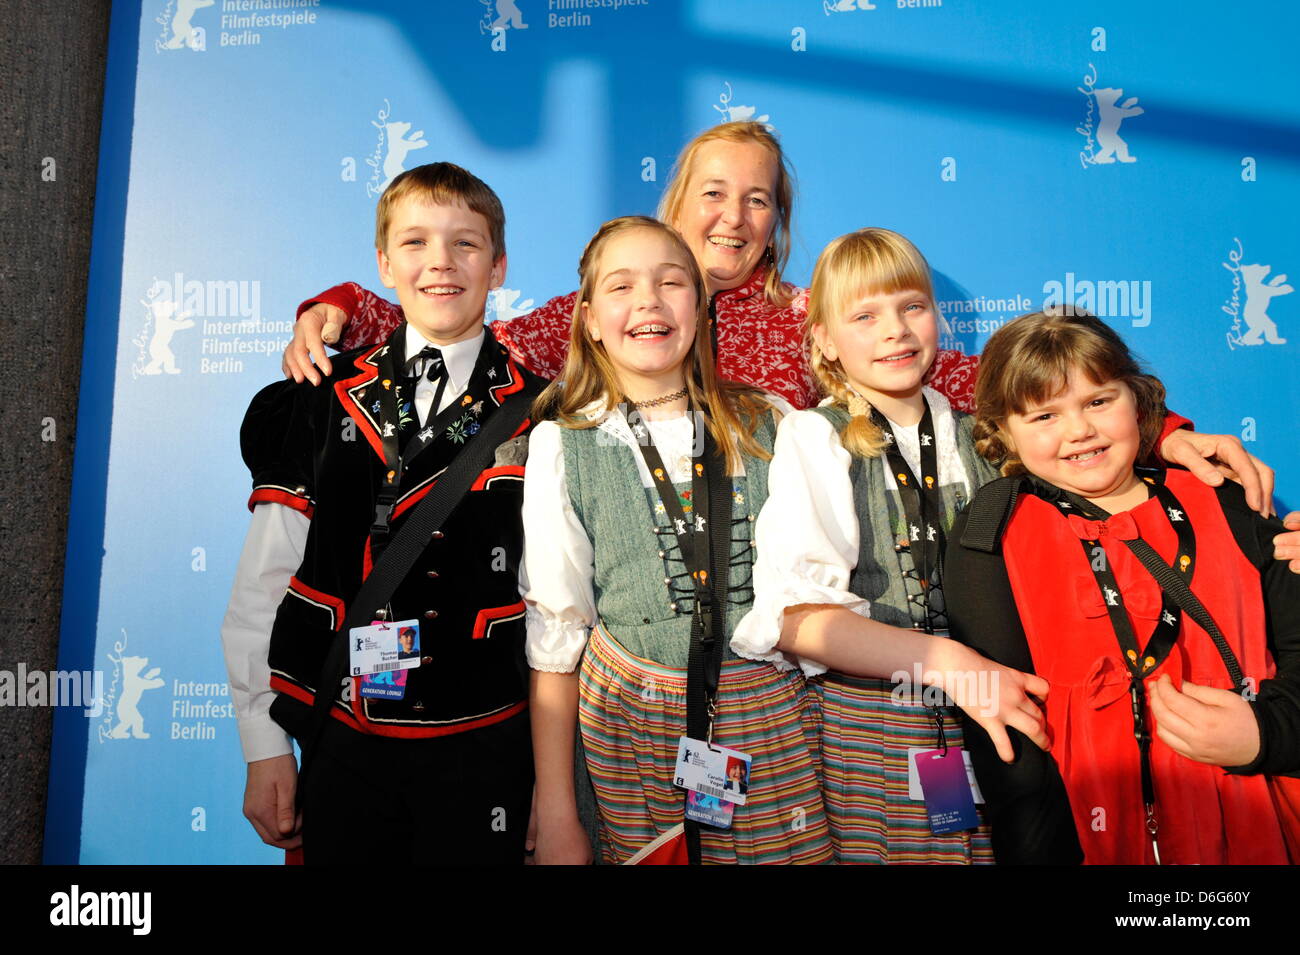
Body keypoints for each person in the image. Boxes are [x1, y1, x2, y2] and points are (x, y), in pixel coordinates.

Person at [279, 122, 1288, 531]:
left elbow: (983, 377)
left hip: (772, 624)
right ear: (679, 198)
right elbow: (459, 339)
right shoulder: (595, 312)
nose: (731, 216)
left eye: (757, 200)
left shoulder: (813, 320)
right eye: (713, 192)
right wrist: (342, 309)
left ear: (779, 223)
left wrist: (1160, 431)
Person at [220, 162, 545, 864]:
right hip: (345, 742)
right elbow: (263, 578)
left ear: (499, 266)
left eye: (466, 243)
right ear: (383, 264)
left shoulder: (546, 409)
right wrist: (262, 741)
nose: (441, 262)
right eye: (416, 242)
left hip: (490, 748)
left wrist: (554, 783)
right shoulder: (320, 393)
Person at [733, 229, 1056, 863]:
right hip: (872, 728)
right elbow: (797, 621)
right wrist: (950, 662)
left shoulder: (983, 433)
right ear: (823, 338)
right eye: (865, 315)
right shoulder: (814, 436)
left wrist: (1175, 441)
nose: (896, 331)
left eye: (912, 306)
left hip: (1002, 719)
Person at [524, 216, 832, 865]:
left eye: (672, 282)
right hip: (634, 733)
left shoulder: (773, 420)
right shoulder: (563, 443)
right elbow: (556, 639)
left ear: (699, 304)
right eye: (621, 286)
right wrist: (554, 806)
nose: (649, 302)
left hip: (773, 722)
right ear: (588, 318)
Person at [944, 309, 1300, 864]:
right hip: (1085, 831)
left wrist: (1263, 735)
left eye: (1098, 402)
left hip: (1249, 818)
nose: (1079, 430)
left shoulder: (1225, 498)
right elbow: (1007, 730)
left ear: (1139, 400)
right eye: (1044, 415)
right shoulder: (990, 530)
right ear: (1001, 431)